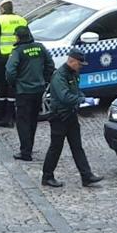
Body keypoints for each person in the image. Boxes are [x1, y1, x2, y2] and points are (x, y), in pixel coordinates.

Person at [42, 49, 104, 188]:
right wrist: (83, 99)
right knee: (55, 148)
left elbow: (75, 90)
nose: (81, 66)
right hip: (59, 117)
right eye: (79, 63)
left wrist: (83, 97)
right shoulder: (59, 76)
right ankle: (47, 176)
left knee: (77, 147)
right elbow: (65, 97)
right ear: (72, 61)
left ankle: (86, 176)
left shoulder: (73, 73)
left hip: (70, 115)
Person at [5, 25, 53, 161]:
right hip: (38, 90)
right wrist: (44, 80)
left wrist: (14, 83)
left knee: (23, 121)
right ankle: (29, 147)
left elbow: (10, 71)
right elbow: (50, 65)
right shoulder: (40, 47)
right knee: (32, 120)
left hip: (24, 91)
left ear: (18, 37)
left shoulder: (18, 51)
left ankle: (25, 152)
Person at [0, 0, 28, 128]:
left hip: (2, 58)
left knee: (0, 87)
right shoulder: (22, 20)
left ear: (2, 9)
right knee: (12, 87)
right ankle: (9, 116)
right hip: (18, 58)